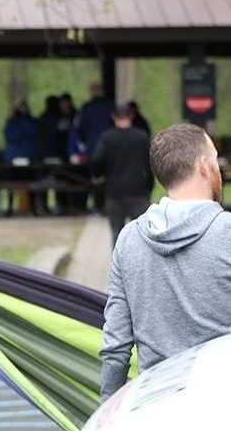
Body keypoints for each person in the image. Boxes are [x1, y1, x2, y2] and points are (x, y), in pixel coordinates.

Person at [99, 123, 231, 401]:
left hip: (156, 407)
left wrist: (106, 412)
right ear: (204, 166)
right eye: (215, 158)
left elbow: (116, 346)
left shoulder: (129, 239)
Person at [90, 102, 153, 244]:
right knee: (142, 232)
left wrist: (98, 176)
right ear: (132, 116)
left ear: (113, 117)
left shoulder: (107, 137)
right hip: (138, 190)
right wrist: (148, 186)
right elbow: (150, 164)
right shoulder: (141, 137)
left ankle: (119, 258)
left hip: (114, 191)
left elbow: (96, 159)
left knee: (116, 231)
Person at [76, 83, 114, 213]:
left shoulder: (86, 108)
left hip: (92, 149)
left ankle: (97, 205)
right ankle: (108, 205)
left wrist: (85, 143)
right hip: (109, 149)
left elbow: (80, 129)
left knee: (94, 178)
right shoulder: (110, 106)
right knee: (109, 177)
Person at [2, 98, 40, 214]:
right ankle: (9, 208)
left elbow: (34, 134)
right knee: (11, 184)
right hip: (14, 157)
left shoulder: (32, 122)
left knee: (31, 184)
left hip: (29, 156)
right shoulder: (11, 122)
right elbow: (10, 136)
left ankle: (33, 208)